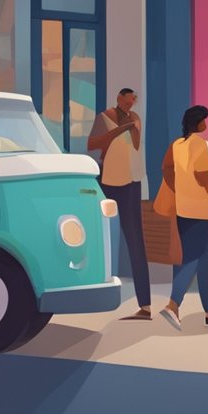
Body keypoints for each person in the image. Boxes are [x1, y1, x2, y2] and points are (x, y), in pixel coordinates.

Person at [160, 106, 208, 331]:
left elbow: (166, 169)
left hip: (183, 208)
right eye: (204, 120)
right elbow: (204, 178)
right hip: (202, 210)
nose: (207, 123)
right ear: (198, 122)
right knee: (192, 258)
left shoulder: (176, 144)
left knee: (206, 262)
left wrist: (181, 189)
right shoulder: (202, 145)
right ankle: (173, 305)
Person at [87, 87, 151, 321]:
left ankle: (145, 305)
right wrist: (117, 132)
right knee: (99, 237)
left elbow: (135, 145)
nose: (132, 102)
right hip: (109, 182)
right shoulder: (104, 117)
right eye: (129, 98)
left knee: (136, 240)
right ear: (119, 98)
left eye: (134, 99)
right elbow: (92, 144)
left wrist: (129, 127)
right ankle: (93, 296)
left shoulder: (136, 119)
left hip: (131, 182)